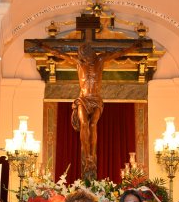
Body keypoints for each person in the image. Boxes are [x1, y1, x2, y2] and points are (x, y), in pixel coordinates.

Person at [37, 41, 140, 179]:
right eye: (83, 57)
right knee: (84, 124)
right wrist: (45, 47)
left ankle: (92, 153)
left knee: (93, 124)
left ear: (91, 54)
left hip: (96, 99)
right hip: (83, 99)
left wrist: (132, 48)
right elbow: (60, 54)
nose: (85, 59)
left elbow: (118, 54)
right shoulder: (79, 63)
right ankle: (87, 155)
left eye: (87, 57)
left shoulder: (101, 60)